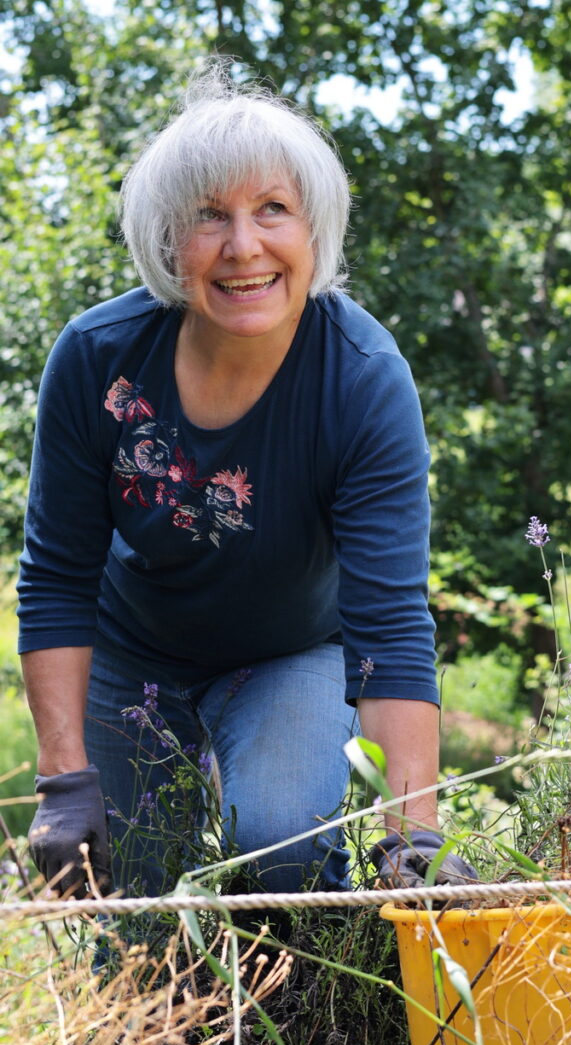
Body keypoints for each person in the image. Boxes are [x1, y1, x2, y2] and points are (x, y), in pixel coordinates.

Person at [18, 65, 475, 908]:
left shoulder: (362, 380)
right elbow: (55, 578)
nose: (243, 246)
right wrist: (64, 778)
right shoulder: (96, 356)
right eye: (207, 217)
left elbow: (390, 623)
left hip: (292, 650)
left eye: (273, 209)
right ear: (165, 241)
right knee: (132, 894)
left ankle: (304, 1025)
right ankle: (171, 1040)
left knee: (280, 847)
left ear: (315, 229)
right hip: (134, 651)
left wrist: (413, 832)